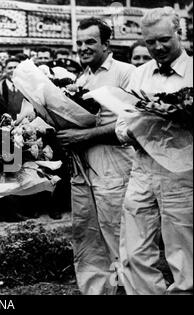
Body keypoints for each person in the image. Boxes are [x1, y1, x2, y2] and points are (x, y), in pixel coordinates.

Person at [56, 17, 135, 295]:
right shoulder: (81, 78)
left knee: (119, 236)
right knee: (87, 237)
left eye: (90, 41)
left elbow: (135, 124)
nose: (83, 47)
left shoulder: (125, 73)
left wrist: (83, 136)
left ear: (106, 43)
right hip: (82, 170)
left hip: (115, 166)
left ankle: (130, 290)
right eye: (79, 42)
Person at [116, 7, 193, 295]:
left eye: (163, 39)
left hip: (182, 172)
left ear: (179, 33)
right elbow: (121, 126)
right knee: (133, 252)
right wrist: (132, 131)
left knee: (185, 254)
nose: (157, 47)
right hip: (142, 169)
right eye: (150, 42)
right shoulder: (139, 75)